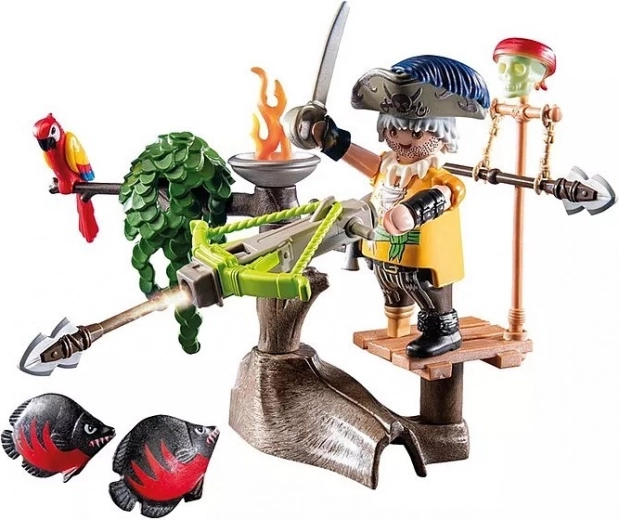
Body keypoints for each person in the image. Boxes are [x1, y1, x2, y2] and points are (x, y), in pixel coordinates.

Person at [311, 55, 490, 358]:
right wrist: (327, 137)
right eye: (394, 131)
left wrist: (413, 210)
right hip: (383, 247)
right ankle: (397, 323)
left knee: (426, 288)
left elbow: (446, 194)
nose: (403, 139)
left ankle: (443, 331)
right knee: (390, 286)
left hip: (423, 255)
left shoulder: (436, 177)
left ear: (440, 134)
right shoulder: (387, 166)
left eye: (417, 133)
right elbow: (354, 155)